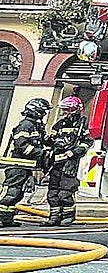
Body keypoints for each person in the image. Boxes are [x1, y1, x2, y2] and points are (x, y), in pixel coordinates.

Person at [0, 98, 51, 227]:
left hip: (25, 166)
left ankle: (6, 219)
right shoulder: (25, 125)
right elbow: (22, 146)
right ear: (36, 111)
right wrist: (42, 153)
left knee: (18, 194)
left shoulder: (35, 126)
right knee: (11, 193)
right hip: (16, 165)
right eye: (43, 112)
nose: (44, 114)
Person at [44, 96, 90, 227]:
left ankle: (68, 217)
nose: (64, 113)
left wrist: (74, 152)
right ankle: (54, 217)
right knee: (53, 192)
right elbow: (52, 141)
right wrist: (47, 140)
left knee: (65, 193)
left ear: (75, 110)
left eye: (66, 110)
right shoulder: (59, 125)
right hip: (56, 163)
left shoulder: (83, 124)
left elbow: (88, 142)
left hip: (71, 164)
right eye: (63, 110)